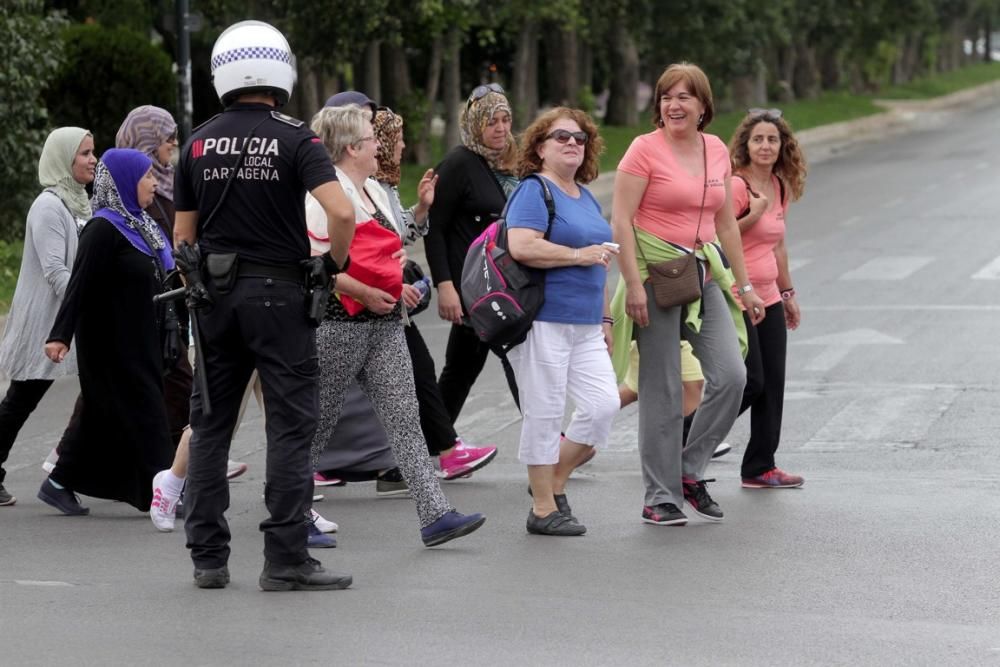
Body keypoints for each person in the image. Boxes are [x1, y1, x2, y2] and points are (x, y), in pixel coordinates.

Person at [174, 20, 356, 591]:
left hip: (214, 298)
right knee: (289, 428)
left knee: (211, 427)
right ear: (282, 71)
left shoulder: (197, 141)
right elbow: (342, 213)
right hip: (279, 296)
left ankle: (208, 558)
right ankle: (285, 559)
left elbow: (183, 238)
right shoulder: (296, 138)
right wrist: (334, 266)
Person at [305, 104, 486, 547]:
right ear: (351, 148)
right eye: (371, 138)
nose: (379, 145)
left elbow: (394, 234)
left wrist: (420, 212)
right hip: (340, 322)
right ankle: (289, 507)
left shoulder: (371, 190)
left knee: (405, 418)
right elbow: (315, 265)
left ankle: (435, 514)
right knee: (318, 422)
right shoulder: (323, 196)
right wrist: (365, 290)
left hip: (384, 321)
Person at [610, 62, 765, 527]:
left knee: (733, 377)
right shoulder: (643, 150)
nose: (674, 105)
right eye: (666, 97)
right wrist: (634, 286)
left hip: (700, 272)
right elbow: (621, 221)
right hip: (654, 275)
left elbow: (723, 224)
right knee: (663, 390)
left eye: (685, 97)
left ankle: (688, 471)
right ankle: (659, 496)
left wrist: (746, 286)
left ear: (703, 106)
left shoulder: (716, 150)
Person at [40, 149, 175, 517]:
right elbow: (79, 284)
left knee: (103, 416)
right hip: (110, 342)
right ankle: (161, 495)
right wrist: (60, 335)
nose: (153, 182)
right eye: (146, 176)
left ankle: (59, 479)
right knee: (148, 410)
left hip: (140, 336)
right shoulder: (103, 228)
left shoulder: (139, 224)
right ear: (126, 183)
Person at [506, 107, 620, 536]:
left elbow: (601, 257)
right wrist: (576, 255)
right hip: (544, 320)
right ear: (539, 147)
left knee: (603, 406)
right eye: (561, 137)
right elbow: (521, 245)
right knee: (545, 411)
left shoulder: (585, 195)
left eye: (580, 137)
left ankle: (554, 482)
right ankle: (541, 508)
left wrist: (606, 316)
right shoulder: (534, 191)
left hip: (587, 323)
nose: (573, 143)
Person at [371, 106, 497, 479]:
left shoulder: (386, 185)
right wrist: (434, 284)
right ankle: (435, 455)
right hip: (368, 303)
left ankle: (421, 461)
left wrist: (421, 209)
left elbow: (399, 235)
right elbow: (369, 245)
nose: (405, 145)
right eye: (398, 138)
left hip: (390, 302)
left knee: (428, 374)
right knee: (418, 376)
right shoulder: (365, 187)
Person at [0, 128, 95, 507]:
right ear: (63, 159)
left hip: (72, 319)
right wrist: (92, 300)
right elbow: (56, 271)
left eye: (93, 152)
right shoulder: (49, 207)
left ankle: (69, 474)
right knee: (21, 399)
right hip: (46, 323)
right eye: (84, 153)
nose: (92, 159)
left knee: (98, 394)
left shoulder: (80, 202)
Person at [425, 83, 520, 423]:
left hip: (508, 284)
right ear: (475, 124)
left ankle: (434, 442)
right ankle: (431, 444)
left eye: (506, 119)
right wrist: (445, 286)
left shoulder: (514, 161)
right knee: (478, 366)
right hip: (473, 288)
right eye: (491, 121)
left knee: (467, 367)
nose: (501, 128)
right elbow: (433, 228)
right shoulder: (458, 163)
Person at [727, 108, 807, 489]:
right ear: (745, 145)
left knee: (772, 384)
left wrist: (788, 294)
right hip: (735, 295)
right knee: (750, 381)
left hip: (770, 296)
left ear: (782, 146)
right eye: (757, 139)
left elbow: (778, 246)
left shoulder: (778, 186)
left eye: (772, 139)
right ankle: (684, 438)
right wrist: (753, 212)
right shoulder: (736, 186)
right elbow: (719, 238)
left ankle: (760, 466)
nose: (765, 145)